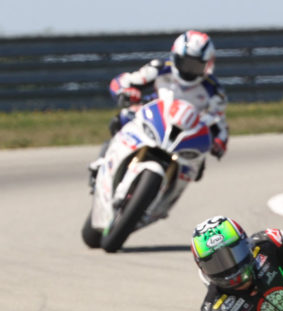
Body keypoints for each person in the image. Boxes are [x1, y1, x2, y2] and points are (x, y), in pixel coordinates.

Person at [89, 30, 229, 191]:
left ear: (207, 65)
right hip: (153, 120)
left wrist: (219, 142)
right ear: (175, 56)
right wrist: (126, 92)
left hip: (185, 136)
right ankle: (102, 163)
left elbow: (220, 123)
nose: (189, 70)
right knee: (123, 118)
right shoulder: (160, 69)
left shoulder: (214, 90)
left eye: (195, 66)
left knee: (198, 167)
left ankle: (168, 196)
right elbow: (122, 82)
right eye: (186, 64)